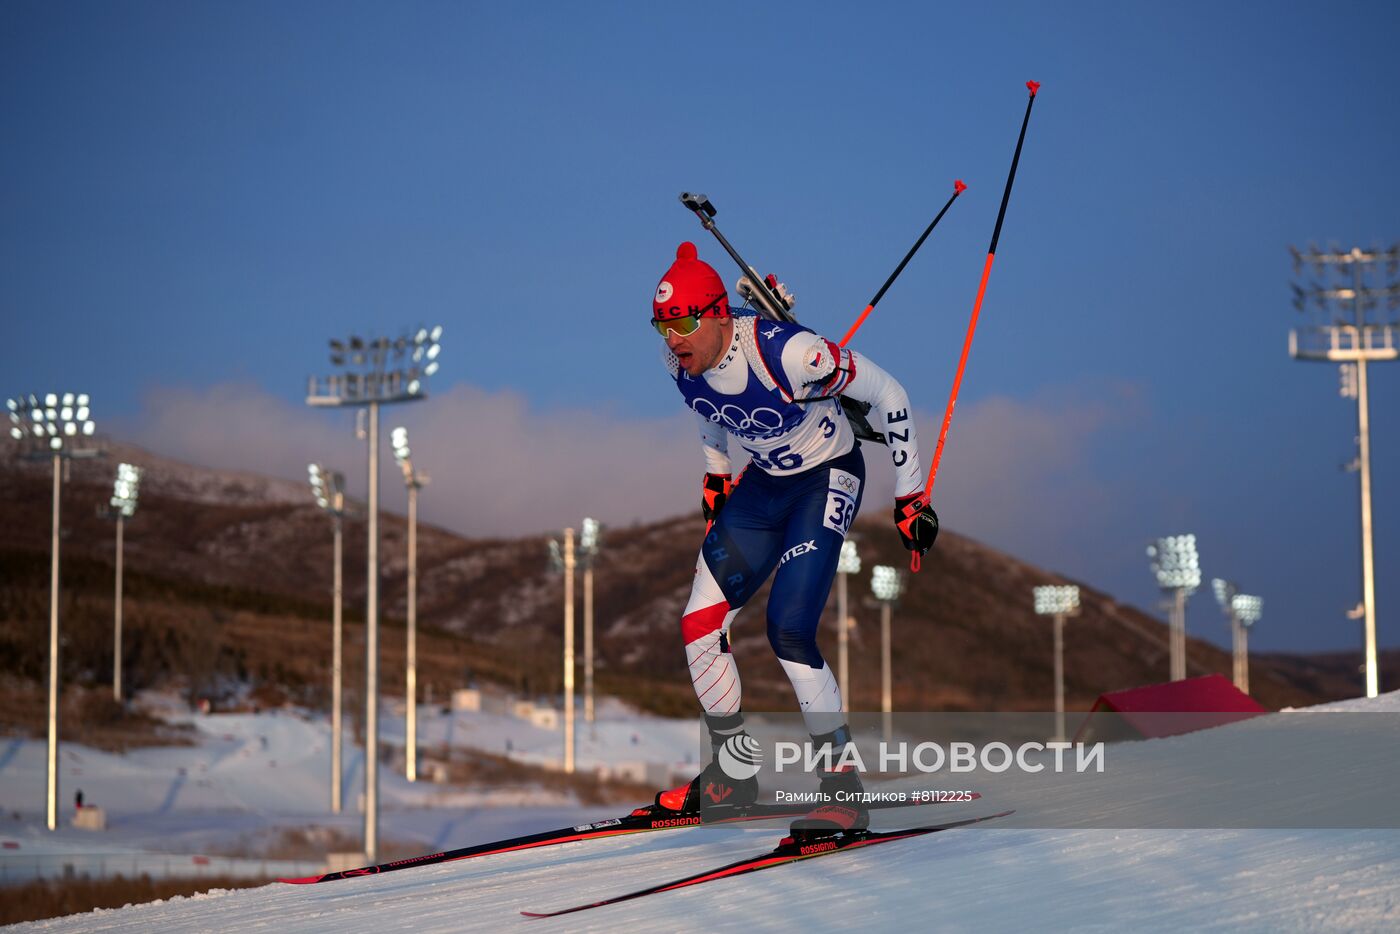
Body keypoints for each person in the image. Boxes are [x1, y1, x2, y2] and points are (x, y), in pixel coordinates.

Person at [650, 242, 939, 836]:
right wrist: (716, 473)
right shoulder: (680, 361)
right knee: (699, 624)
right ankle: (732, 776)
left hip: (825, 476)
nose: (672, 337)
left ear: (719, 313)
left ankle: (843, 790)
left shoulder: (791, 353)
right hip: (764, 486)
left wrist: (911, 498)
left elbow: (891, 396)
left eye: (682, 322)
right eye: (662, 324)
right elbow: (708, 407)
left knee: (787, 628)